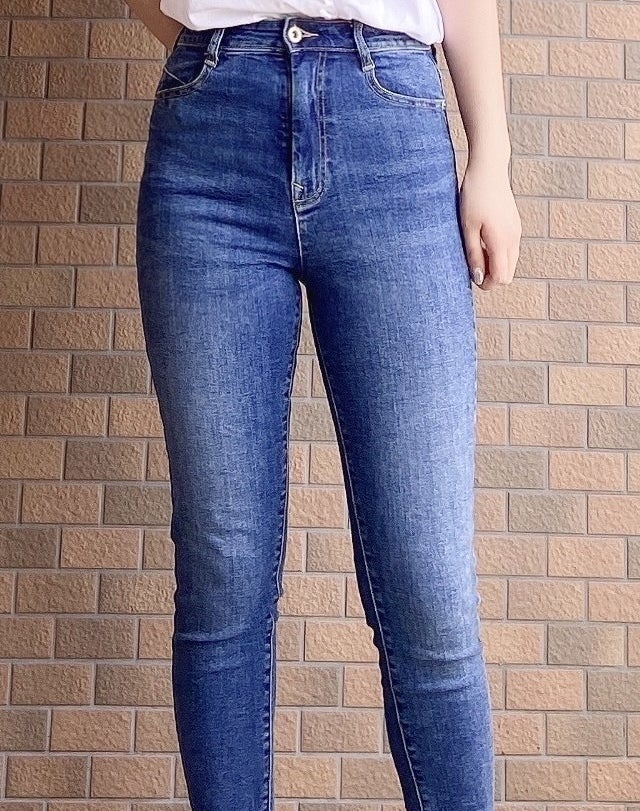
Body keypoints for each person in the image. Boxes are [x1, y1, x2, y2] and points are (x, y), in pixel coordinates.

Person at [128, 1, 521, 809]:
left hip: (393, 126)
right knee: (223, 570)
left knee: (429, 583)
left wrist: (492, 156)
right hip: (209, 138)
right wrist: (222, 42)